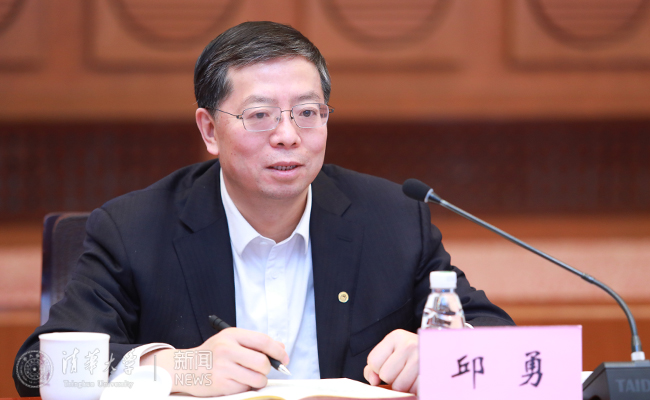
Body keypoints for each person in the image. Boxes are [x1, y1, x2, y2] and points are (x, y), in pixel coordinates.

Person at [14, 21, 514, 397]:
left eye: (308, 112)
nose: (288, 135)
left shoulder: (393, 218)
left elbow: (509, 349)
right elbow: (36, 369)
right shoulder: (134, 228)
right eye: (260, 115)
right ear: (209, 130)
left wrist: (440, 354)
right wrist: (182, 368)